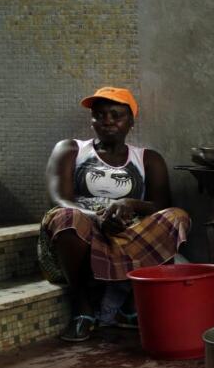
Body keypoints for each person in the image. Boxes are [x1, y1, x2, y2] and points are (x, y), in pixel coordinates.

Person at [41, 87, 191, 341]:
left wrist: (130, 203)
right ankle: (82, 309)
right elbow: (59, 199)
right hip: (83, 230)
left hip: (128, 232)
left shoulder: (148, 159)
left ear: (131, 121)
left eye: (115, 115)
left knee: (177, 216)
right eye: (99, 115)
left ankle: (135, 301)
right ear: (92, 120)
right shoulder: (70, 150)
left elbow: (162, 205)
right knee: (65, 216)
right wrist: (95, 216)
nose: (107, 121)